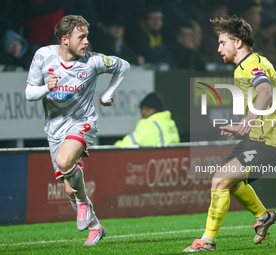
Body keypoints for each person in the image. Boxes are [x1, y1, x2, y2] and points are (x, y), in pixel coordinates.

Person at [183, 16, 276, 252]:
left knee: (220, 181)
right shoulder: (249, 64)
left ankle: (207, 242)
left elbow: (265, 92)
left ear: (239, 43)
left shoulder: (251, 66)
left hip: (271, 143)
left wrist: (247, 120)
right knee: (228, 183)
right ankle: (263, 217)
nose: (218, 48)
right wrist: (244, 124)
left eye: (223, 42)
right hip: (257, 138)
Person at [25, 15, 130, 245]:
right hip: (54, 128)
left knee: (64, 162)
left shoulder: (93, 61)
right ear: (65, 40)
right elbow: (29, 93)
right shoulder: (43, 56)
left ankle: (83, 204)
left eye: (86, 37)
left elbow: (123, 66)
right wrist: (46, 87)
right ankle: (95, 226)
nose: (86, 42)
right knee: (69, 189)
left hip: (83, 122)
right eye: (81, 37)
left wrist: (107, 93)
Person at [115, 92, 180, 147]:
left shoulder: (148, 125)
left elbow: (126, 145)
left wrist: (115, 145)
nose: (142, 112)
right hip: (169, 161)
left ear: (153, 109)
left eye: (145, 108)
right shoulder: (171, 124)